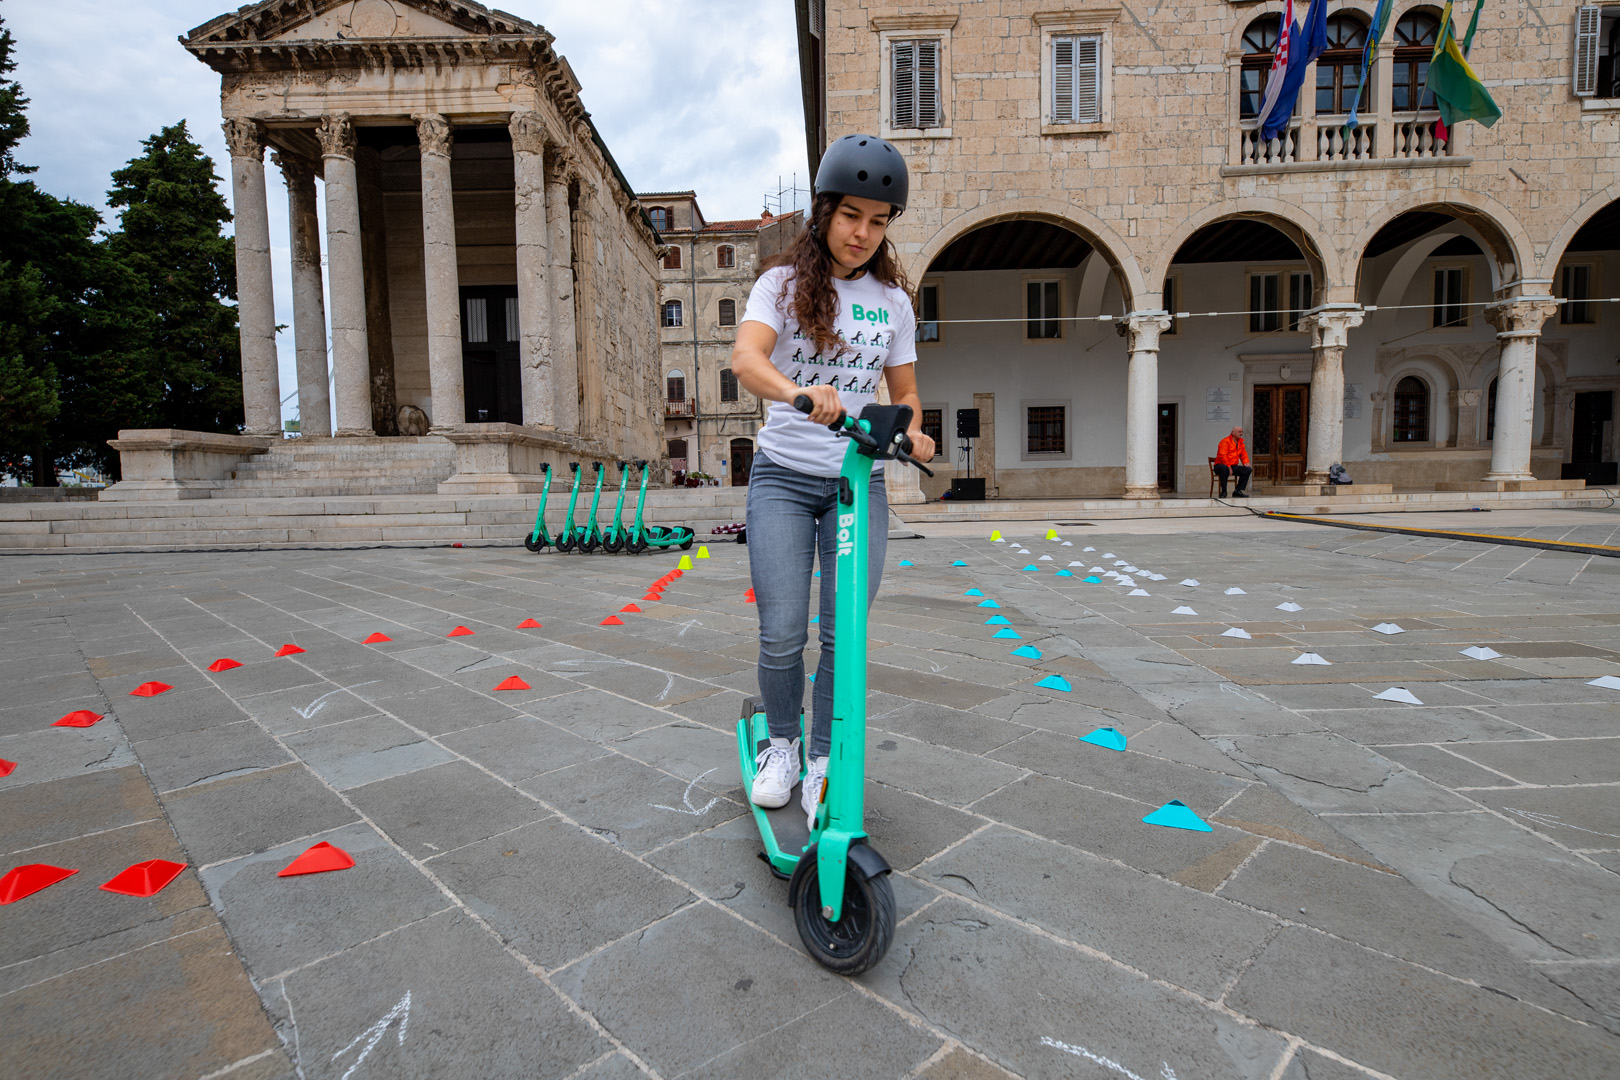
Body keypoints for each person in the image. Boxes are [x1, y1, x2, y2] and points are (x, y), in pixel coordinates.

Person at [730, 133, 936, 828]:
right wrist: (799, 392)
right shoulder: (780, 286)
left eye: (879, 221)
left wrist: (910, 428)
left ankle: (823, 758)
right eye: (852, 215)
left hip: (858, 484)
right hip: (784, 479)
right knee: (784, 630)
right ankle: (781, 746)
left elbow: (906, 395)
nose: (863, 234)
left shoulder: (893, 304)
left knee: (844, 634)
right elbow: (746, 360)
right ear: (823, 213)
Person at [1214, 425, 1252, 498]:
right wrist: (1228, 467)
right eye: (1239, 432)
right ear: (1233, 432)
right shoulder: (1225, 441)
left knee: (1247, 470)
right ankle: (1224, 491)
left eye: (1241, 432)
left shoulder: (1241, 443)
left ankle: (1237, 491)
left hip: (1232, 466)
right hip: (1220, 465)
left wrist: (1246, 462)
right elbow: (1223, 455)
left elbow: (1243, 455)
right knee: (1224, 468)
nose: (1241, 433)